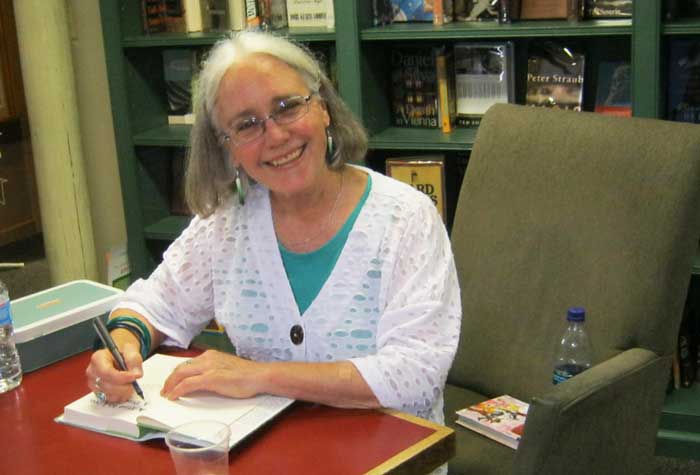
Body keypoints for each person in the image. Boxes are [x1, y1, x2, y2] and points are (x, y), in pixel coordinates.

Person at [86, 30, 460, 437]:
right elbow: (156, 302)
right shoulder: (227, 223)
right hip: (267, 450)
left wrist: (261, 376)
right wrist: (122, 344)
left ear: (323, 108)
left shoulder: (407, 219)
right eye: (246, 125)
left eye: (287, 107)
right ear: (227, 147)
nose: (277, 136)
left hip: (390, 456)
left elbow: (416, 372)